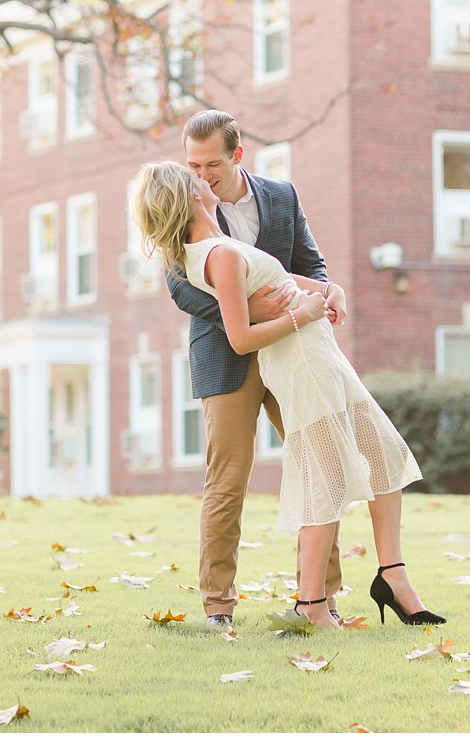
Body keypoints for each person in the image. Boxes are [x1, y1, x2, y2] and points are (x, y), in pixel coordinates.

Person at [137, 157, 444, 630]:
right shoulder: (217, 255)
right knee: (326, 474)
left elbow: (278, 281)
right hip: (302, 360)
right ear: (192, 195)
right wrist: (302, 315)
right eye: (196, 173)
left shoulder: (218, 247)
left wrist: (325, 291)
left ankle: (390, 573)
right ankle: (311, 603)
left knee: (382, 454)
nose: (206, 176)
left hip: (321, 355)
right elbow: (241, 337)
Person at [166, 111, 341, 629]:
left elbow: (312, 265)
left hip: (293, 351)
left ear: (237, 155)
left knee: (320, 465)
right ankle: (218, 607)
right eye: (193, 164)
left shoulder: (282, 196)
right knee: (227, 481)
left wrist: (324, 292)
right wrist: (243, 309)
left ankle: (321, 599)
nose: (202, 176)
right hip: (227, 355)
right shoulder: (182, 201)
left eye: (213, 164)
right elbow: (179, 287)